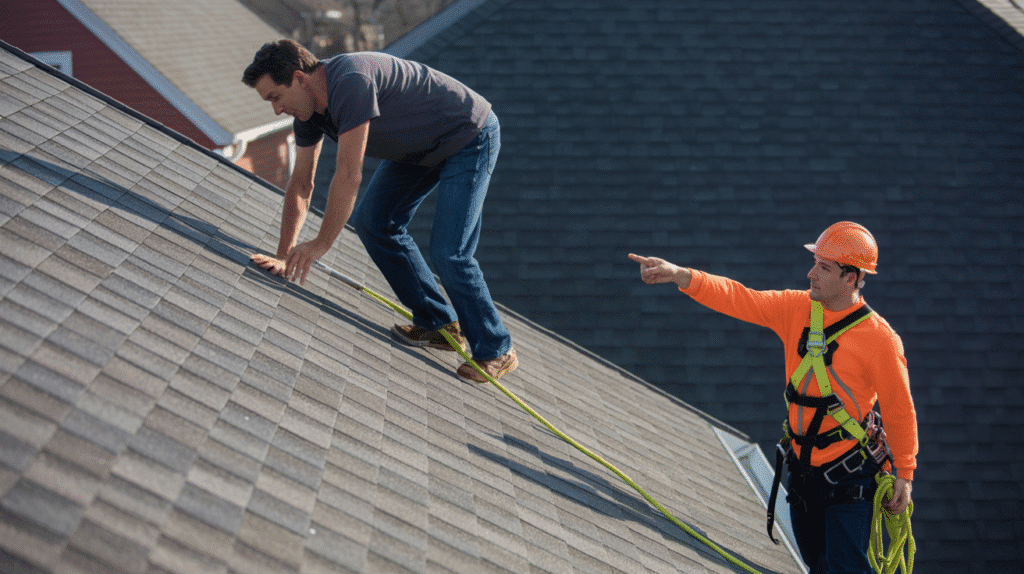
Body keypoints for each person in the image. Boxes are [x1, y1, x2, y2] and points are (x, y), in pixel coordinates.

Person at [629, 222, 917, 574]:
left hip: (849, 478)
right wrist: (680, 275)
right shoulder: (796, 309)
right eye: (815, 263)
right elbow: (740, 298)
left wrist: (904, 471)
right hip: (804, 474)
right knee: (818, 566)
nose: (810, 273)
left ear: (851, 279)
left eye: (823, 268)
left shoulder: (880, 340)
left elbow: (898, 408)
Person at [242, 39, 516, 382]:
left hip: (468, 136)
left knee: (449, 252)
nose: (276, 110)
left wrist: (320, 244)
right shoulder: (308, 110)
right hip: (421, 146)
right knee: (373, 222)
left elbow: (349, 173)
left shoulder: (351, 81)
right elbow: (301, 184)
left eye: (275, 97)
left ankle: (497, 348)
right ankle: (437, 323)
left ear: (298, 78)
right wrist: (283, 256)